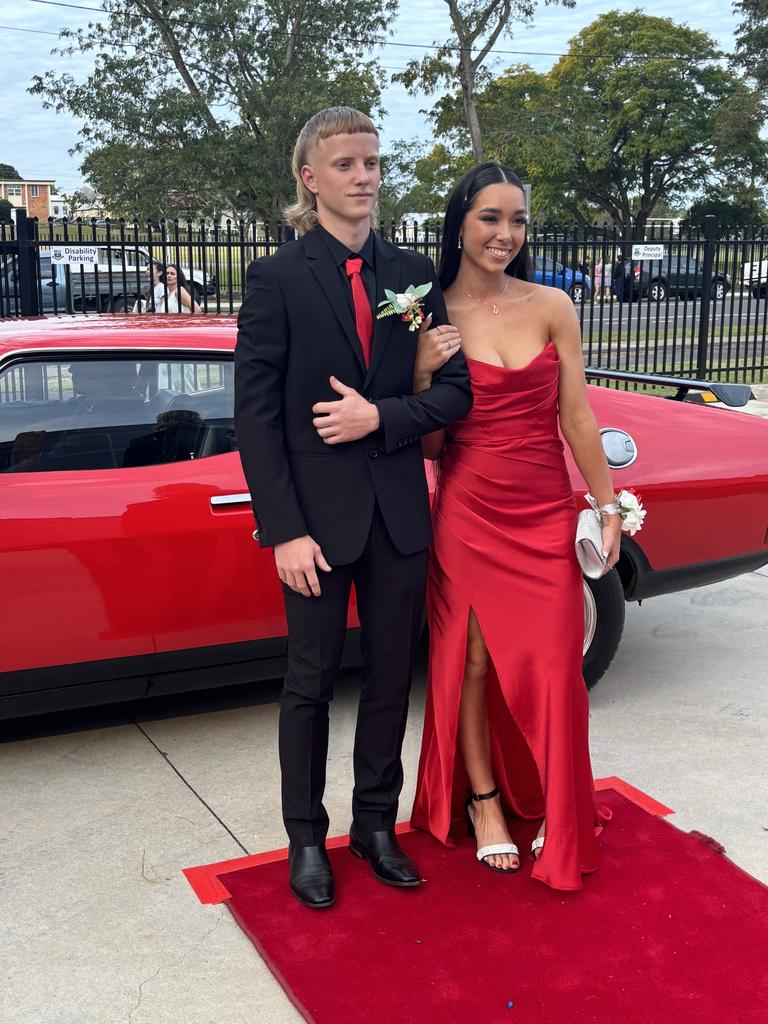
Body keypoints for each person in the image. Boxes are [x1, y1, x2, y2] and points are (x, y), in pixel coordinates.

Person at [234, 107, 472, 910]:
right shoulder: (276, 279)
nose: (364, 176)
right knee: (310, 681)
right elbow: (257, 418)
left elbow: (453, 394)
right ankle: (307, 836)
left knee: (388, 679)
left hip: (400, 515)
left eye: (372, 161)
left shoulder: (411, 275)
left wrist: (384, 417)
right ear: (310, 177)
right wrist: (284, 531)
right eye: (345, 164)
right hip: (315, 524)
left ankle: (377, 825)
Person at [410, 162, 616, 890]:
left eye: (518, 219)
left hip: (544, 509)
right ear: (460, 223)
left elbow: (577, 416)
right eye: (491, 217)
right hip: (467, 510)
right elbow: (430, 446)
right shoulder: (429, 317)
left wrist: (607, 504)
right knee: (469, 663)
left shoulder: (554, 303)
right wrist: (424, 379)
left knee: (558, 668)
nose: (505, 233)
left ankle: (562, 809)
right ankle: (488, 805)